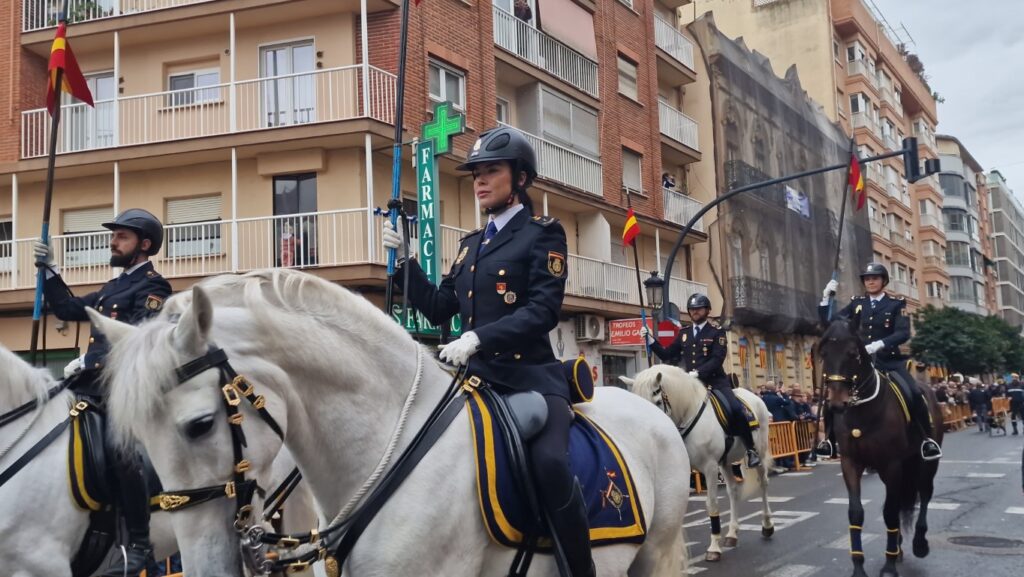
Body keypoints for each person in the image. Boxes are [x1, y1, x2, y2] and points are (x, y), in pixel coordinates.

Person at [382, 126, 594, 577]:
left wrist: (480, 338)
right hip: (475, 383)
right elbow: (441, 308)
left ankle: (579, 569)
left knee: (552, 464)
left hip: (532, 379)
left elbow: (542, 311)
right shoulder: (469, 247)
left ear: (519, 178)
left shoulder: (543, 235)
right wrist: (404, 264)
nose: (479, 180)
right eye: (476, 173)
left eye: (491, 171)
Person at [34, 208, 171, 576]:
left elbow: (142, 338)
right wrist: (49, 272)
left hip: (121, 390)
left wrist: (95, 362)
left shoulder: (154, 286)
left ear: (144, 245)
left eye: (122, 237)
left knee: (118, 448)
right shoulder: (111, 288)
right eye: (114, 236)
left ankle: (140, 543)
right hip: (89, 387)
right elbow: (65, 307)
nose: (113, 242)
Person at [819, 262, 942, 461]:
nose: (871, 282)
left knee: (913, 392)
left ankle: (926, 440)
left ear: (883, 281)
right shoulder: (857, 303)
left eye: (875, 278)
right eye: (867, 279)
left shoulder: (896, 304)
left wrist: (879, 344)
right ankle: (829, 441)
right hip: (860, 363)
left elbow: (902, 333)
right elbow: (831, 323)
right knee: (832, 396)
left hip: (888, 360)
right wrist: (826, 300)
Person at [641, 293, 762, 467]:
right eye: (692, 309)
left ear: (707, 310)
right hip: (692, 386)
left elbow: (717, 358)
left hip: (715, 382)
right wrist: (651, 340)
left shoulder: (716, 332)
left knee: (735, 408)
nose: (695, 312)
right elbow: (667, 354)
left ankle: (751, 449)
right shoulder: (684, 334)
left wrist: (699, 372)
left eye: (698, 309)